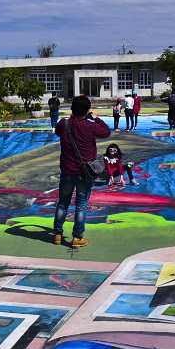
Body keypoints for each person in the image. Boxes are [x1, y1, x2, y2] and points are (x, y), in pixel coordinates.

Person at [53, 95, 111, 247]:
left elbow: (57, 132)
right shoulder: (90, 126)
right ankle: (77, 237)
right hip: (84, 173)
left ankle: (58, 235)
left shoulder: (63, 124)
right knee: (81, 205)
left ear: (72, 108)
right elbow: (106, 132)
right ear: (87, 111)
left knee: (62, 203)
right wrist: (96, 118)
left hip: (67, 170)